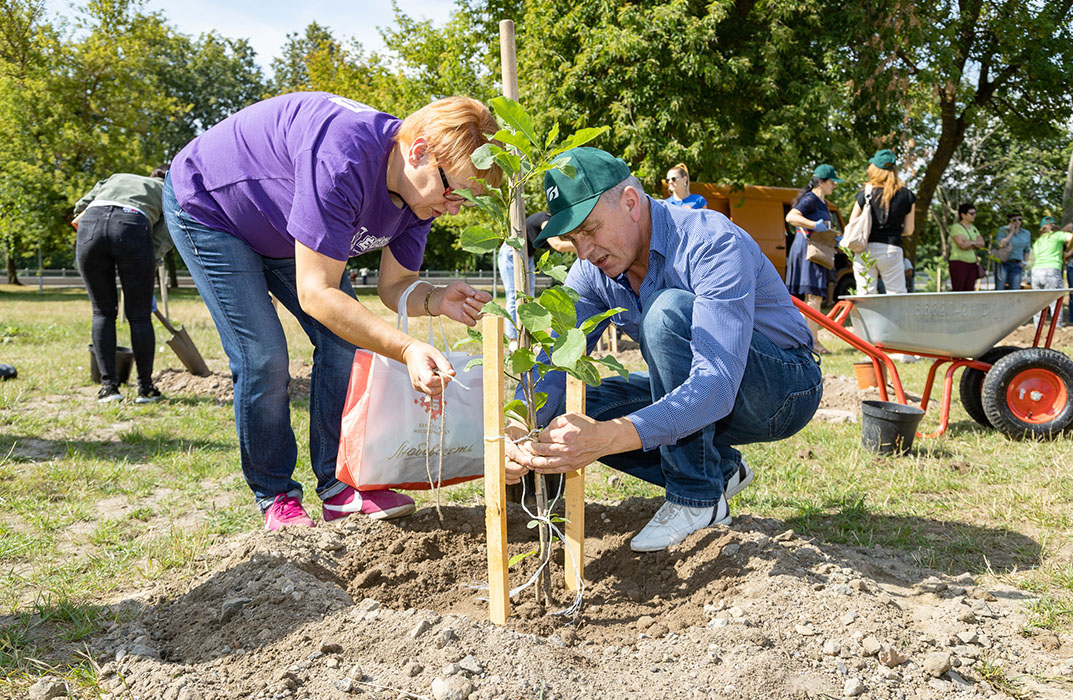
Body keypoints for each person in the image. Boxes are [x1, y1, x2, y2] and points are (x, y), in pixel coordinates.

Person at [162, 92, 501, 530]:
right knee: (264, 357)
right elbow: (317, 293)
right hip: (213, 209)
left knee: (345, 343)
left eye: (464, 200)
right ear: (419, 150)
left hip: (283, 228)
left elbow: (394, 286)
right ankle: (276, 495)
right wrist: (405, 349)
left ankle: (338, 487)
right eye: (452, 191)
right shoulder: (343, 158)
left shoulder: (422, 198)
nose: (452, 208)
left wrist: (434, 298)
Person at [505, 148, 822, 553]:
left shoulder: (710, 241)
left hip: (781, 389)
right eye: (572, 239)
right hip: (711, 397)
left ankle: (697, 497)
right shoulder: (593, 272)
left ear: (631, 203)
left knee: (666, 312)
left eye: (590, 230)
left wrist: (608, 438)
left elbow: (716, 384)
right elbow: (553, 356)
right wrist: (518, 425)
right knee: (580, 413)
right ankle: (719, 470)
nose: (583, 251)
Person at [72, 167, 172, 404]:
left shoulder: (116, 178)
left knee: (102, 312)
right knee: (139, 317)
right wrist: (147, 260)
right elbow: (168, 232)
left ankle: (109, 389)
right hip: (133, 225)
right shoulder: (169, 191)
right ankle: (145, 390)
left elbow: (80, 207)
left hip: (91, 226)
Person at [784, 164, 843, 354]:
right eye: (832, 182)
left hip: (816, 249)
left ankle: (807, 340)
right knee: (813, 296)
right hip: (807, 249)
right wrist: (813, 225)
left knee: (813, 297)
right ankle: (814, 343)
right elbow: (791, 217)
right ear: (822, 182)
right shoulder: (811, 199)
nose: (834, 185)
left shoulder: (823, 202)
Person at [847, 149, 915, 295]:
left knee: (865, 295)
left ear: (874, 169)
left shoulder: (865, 194)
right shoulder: (906, 195)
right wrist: (894, 232)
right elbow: (909, 230)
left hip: (865, 249)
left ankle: (866, 319)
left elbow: (852, 222)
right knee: (896, 296)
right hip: (892, 249)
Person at [497, 211, 546, 342]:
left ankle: (527, 335)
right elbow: (558, 245)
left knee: (528, 296)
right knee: (515, 296)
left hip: (527, 255)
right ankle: (513, 338)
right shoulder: (546, 220)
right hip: (512, 251)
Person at [1030, 217, 1073, 328]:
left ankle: (1037, 327)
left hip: (1036, 272)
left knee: (1037, 303)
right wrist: (1068, 253)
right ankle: (1056, 328)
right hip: (1051, 270)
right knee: (1056, 300)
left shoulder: (1038, 241)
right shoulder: (1057, 235)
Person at [948, 203, 985, 291]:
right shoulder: (956, 227)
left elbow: (982, 243)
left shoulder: (974, 228)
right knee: (959, 290)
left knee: (970, 290)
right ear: (963, 215)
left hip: (972, 263)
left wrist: (970, 242)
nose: (974, 215)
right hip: (959, 263)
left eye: (975, 213)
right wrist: (975, 243)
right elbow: (962, 245)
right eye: (971, 214)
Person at [994, 212, 1031, 291]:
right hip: (1003, 264)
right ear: (1009, 221)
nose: (1017, 221)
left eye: (1019, 219)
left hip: (1017, 264)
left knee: (1015, 289)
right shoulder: (1003, 230)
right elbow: (1000, 244)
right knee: (1000, 289)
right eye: (1014, 219)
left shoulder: (1026, 233)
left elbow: (1027, 249)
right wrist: (1011, 232)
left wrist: (1024, 262)